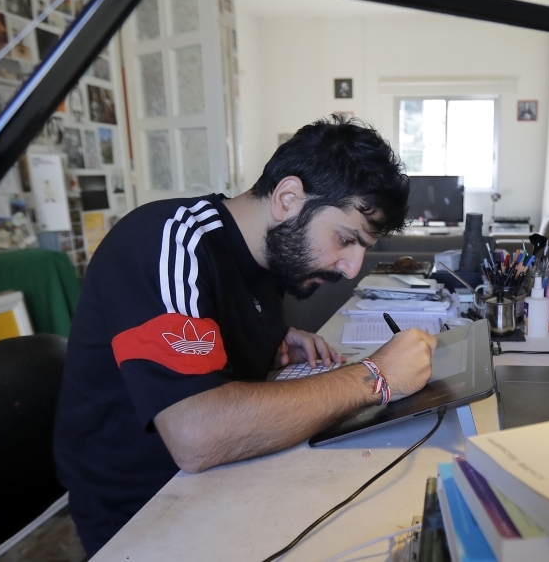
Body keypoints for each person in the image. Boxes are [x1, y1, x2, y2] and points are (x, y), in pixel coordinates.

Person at [53, 115, 436, 554]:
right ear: (288, 197)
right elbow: (196, 433)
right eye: (346, 239)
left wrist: (265, 338)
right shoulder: (169, 241)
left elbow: (210, 329)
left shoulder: (271, 257)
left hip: (222, 482)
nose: (352, 268)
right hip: (144, 512)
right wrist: (375, 375)